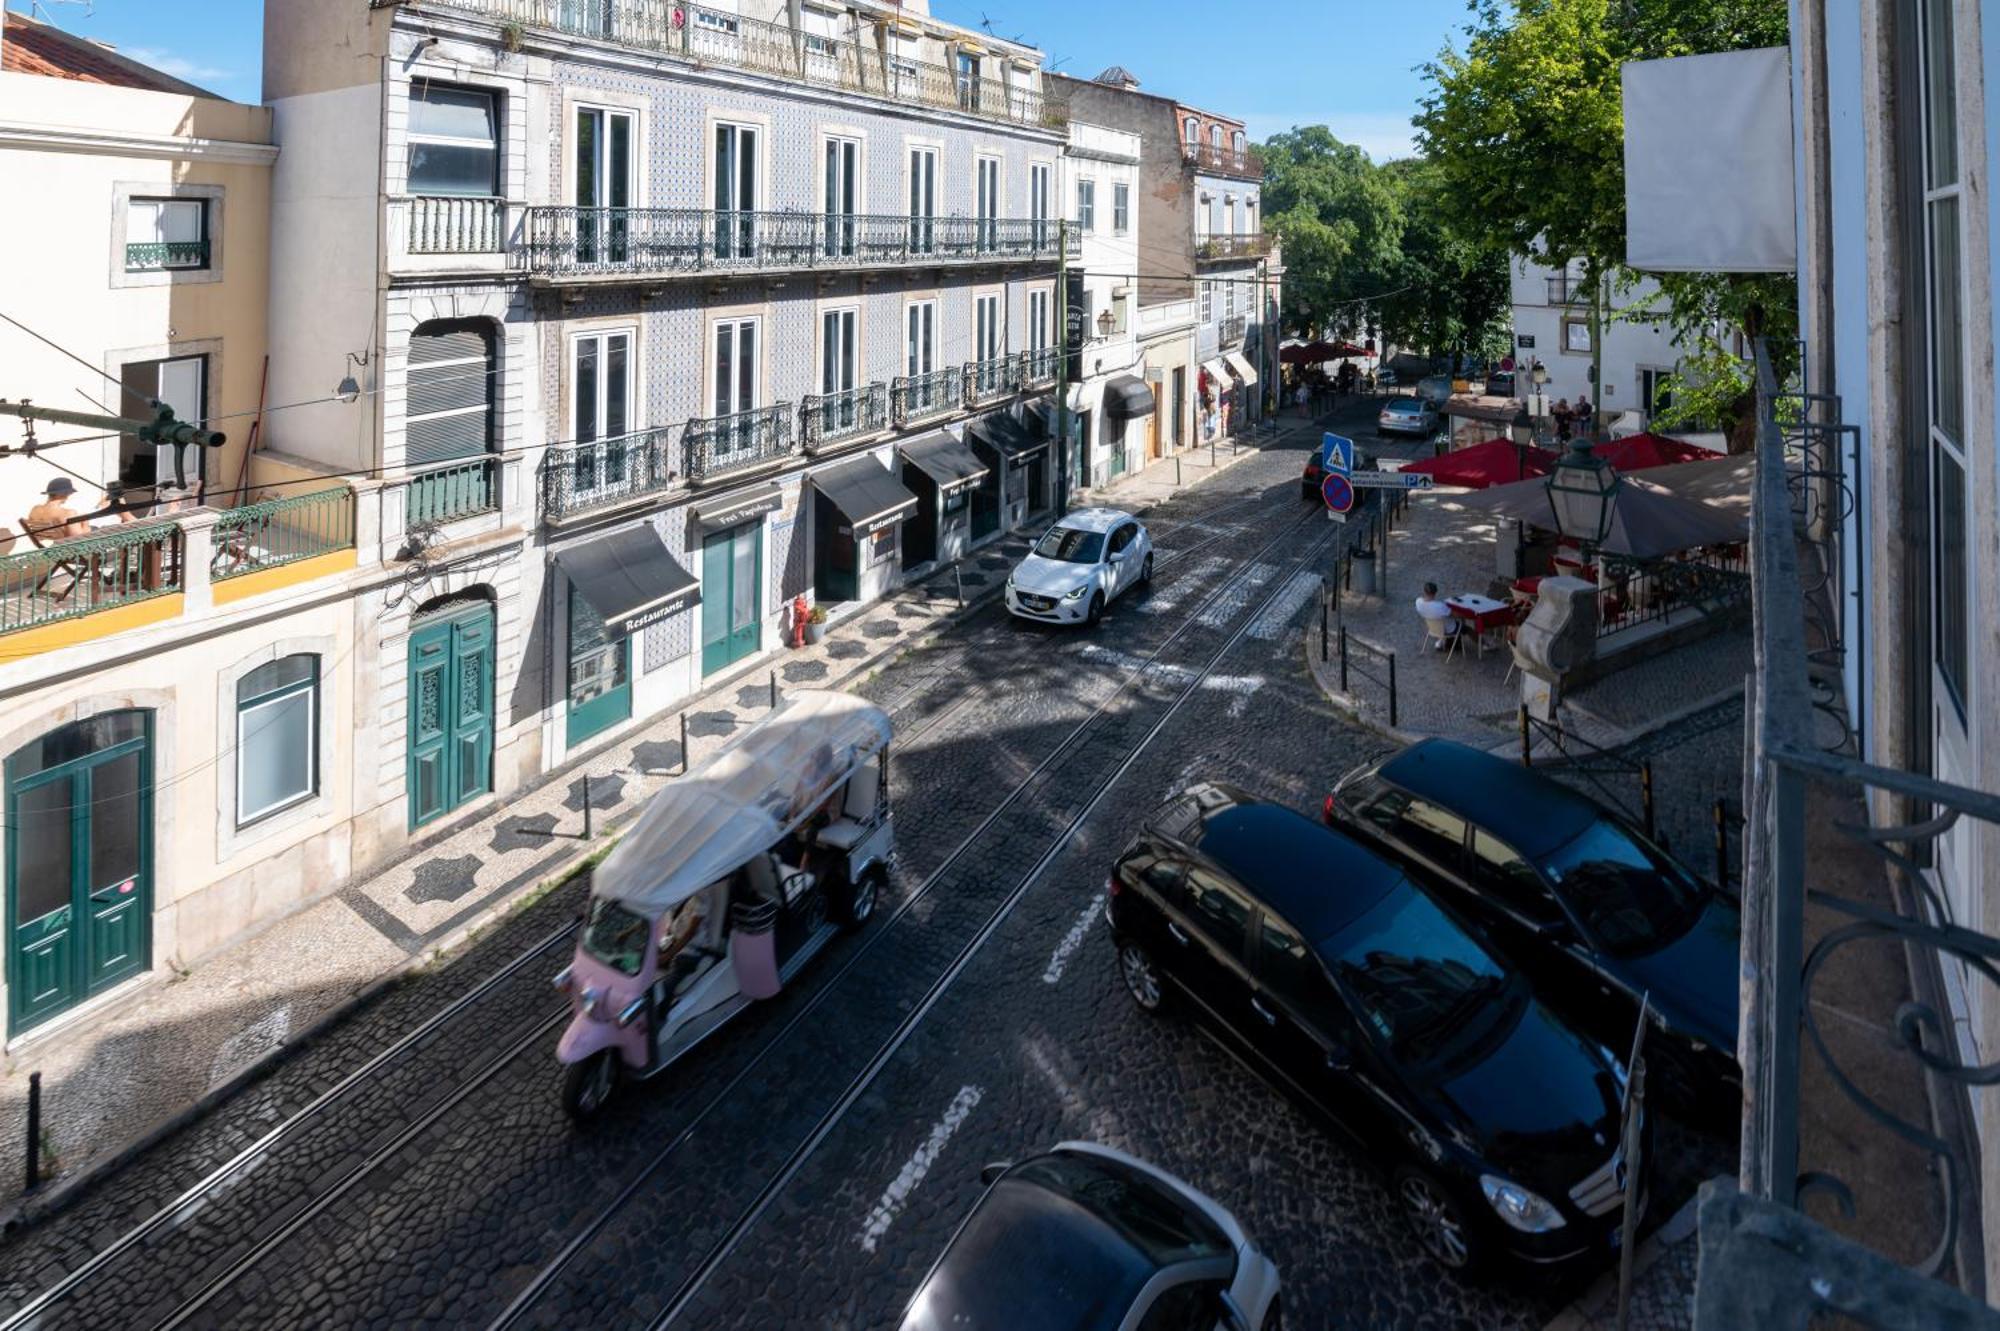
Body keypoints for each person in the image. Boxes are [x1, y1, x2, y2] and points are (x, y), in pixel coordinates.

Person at [25, 478, 89, 541]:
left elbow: (37, 536)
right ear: (66, 493)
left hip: (51, 545)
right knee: (96, 530)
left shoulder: (35, 509)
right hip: (65, 547)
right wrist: (85, 522)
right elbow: (79, 539)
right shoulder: (68, 513)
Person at [1414, 582, 1460, 649]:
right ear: (1435, 593)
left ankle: (1443, 642)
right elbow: (1455, 615)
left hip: (1433, 628)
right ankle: (1480, 644)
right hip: (1448, 630)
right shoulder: (1440, 606)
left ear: (1424, 591)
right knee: (1466, 628)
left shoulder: (1418, 602)